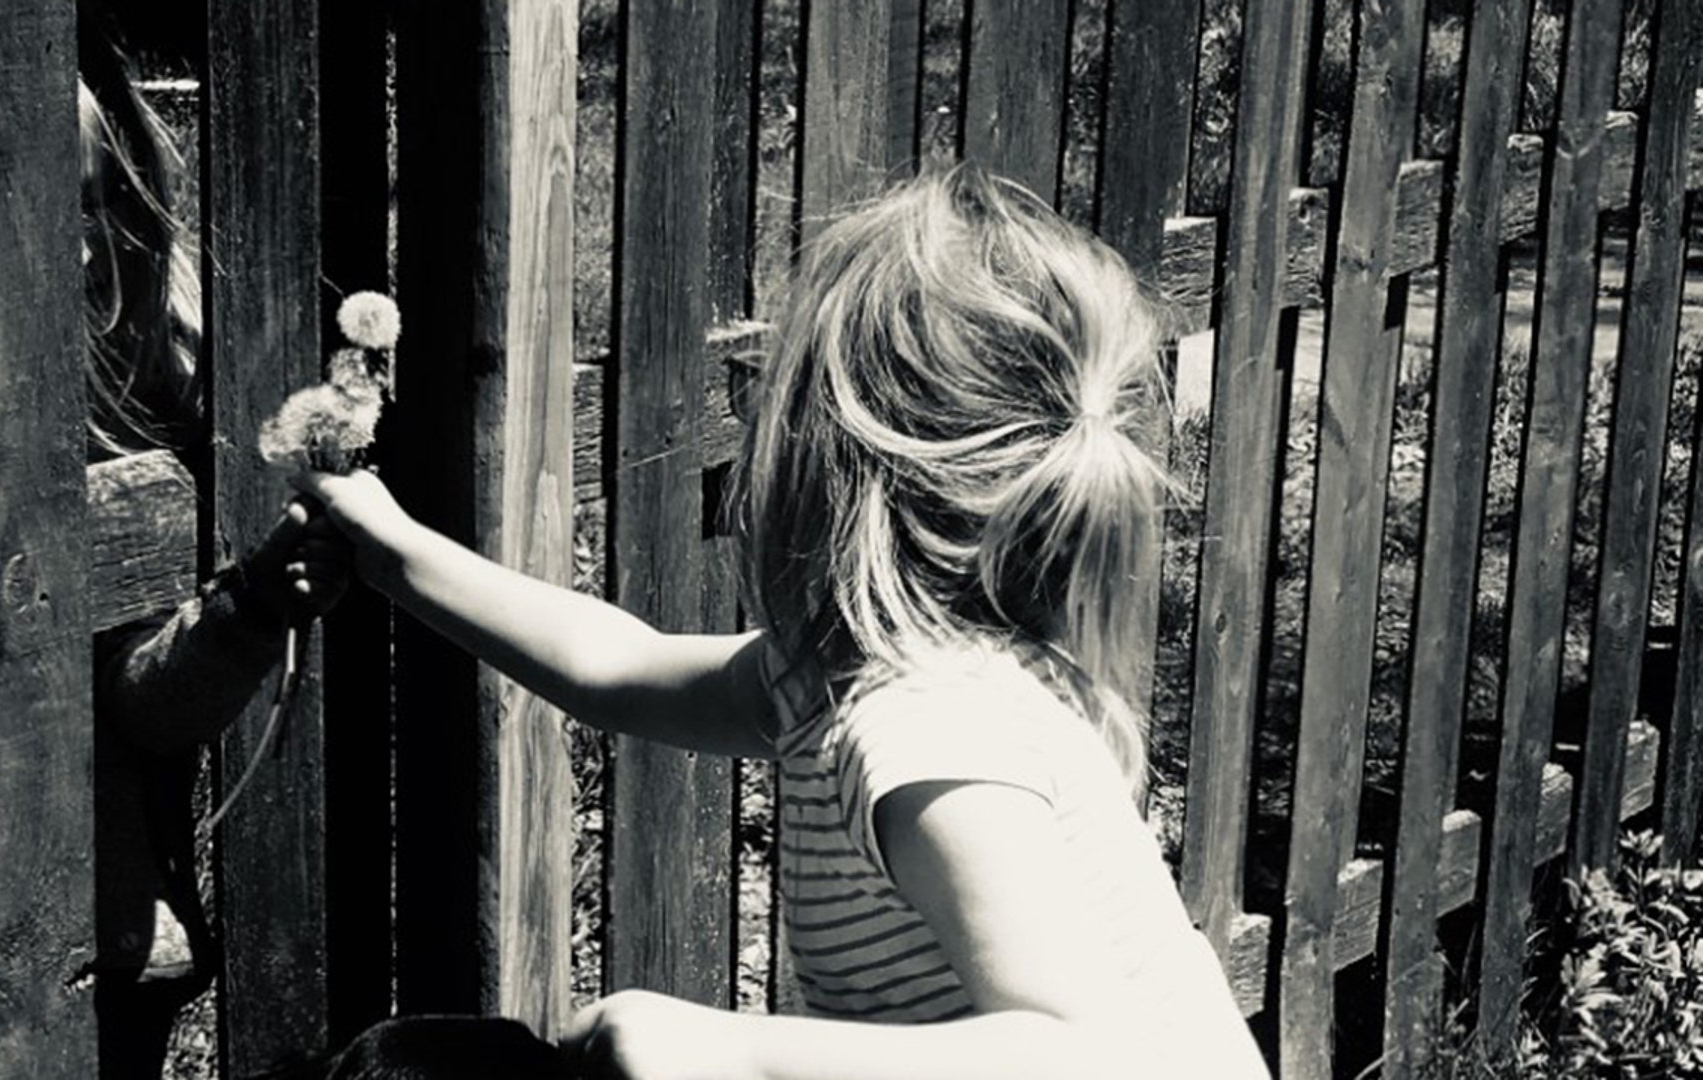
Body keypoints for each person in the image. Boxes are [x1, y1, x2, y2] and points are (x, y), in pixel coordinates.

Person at [296, 166, 1272, 1079]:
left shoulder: (930, 726)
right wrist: (395, 552)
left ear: (831, 464)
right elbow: (616, 666)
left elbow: (1071, 1056)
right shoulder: (849, 676)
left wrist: (730, 1051)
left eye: (769, 395)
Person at [0, 6, 351, 1075]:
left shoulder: (126, 422)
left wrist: (250, 611)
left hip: (86, 950)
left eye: (96, 204)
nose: (73, 243)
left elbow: (141, 702)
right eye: (24, 203)